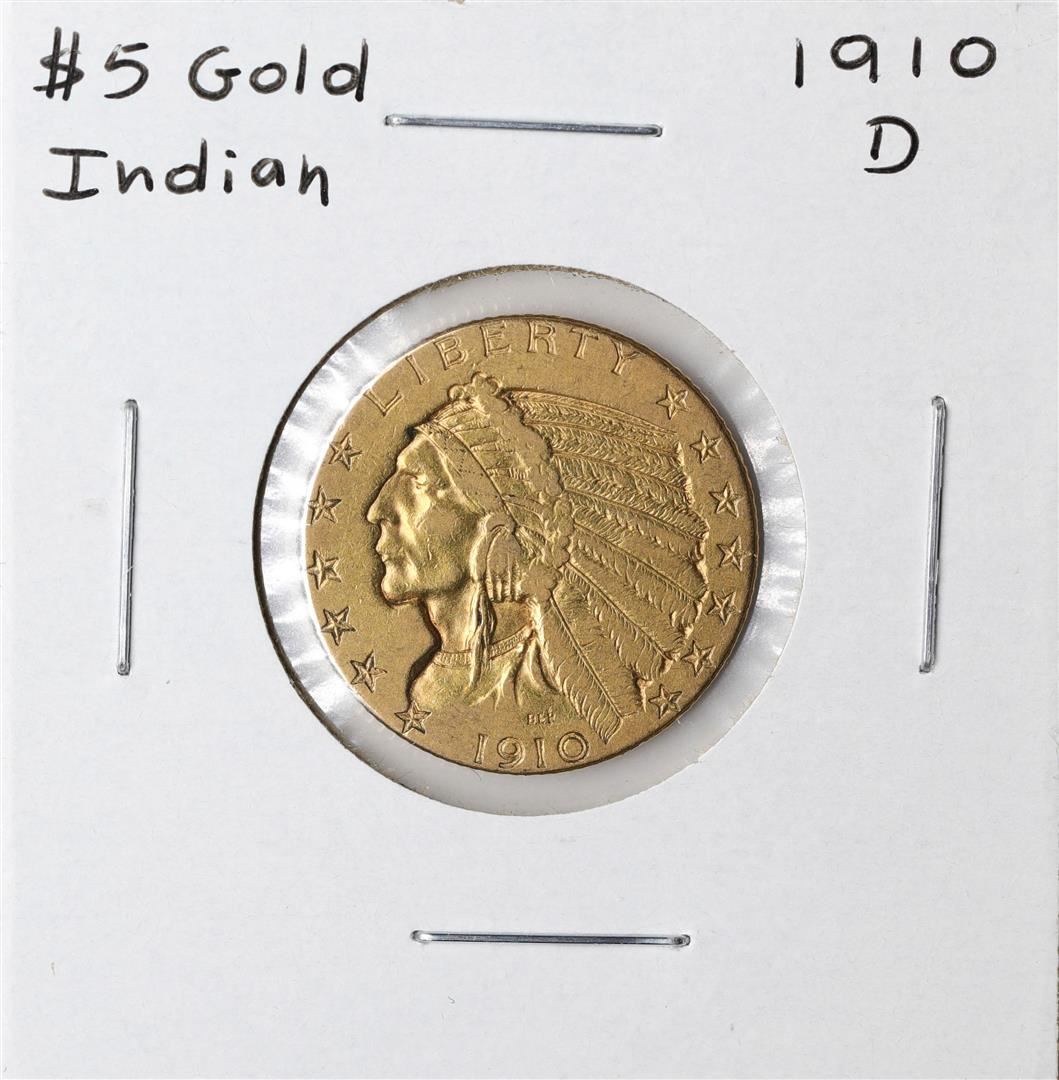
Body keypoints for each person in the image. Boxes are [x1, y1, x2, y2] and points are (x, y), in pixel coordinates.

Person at [366, 372, 710, 744]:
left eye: (418, 482)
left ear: (498, 526)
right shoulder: (433, 685)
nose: (377, 510)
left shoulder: (535, 688)